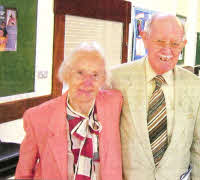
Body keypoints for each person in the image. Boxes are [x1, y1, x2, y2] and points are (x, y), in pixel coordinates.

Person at [111, 13, 200, 180]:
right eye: (160, 41)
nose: (167, 50)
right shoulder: (116, 78)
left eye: (175, 44)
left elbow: (197, 148)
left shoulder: (197, 87)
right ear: (144, 38)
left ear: (183, 44)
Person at [15, 42, 123, 180]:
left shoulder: (114, 103)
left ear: (103, 79)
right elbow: (23, 174)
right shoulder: (38, 117)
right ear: (67, 74)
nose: (87, 82)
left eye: (95, 75)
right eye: (80, 73)